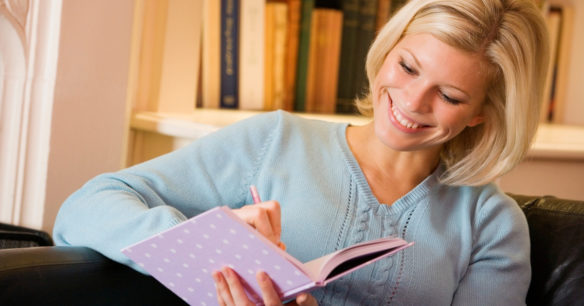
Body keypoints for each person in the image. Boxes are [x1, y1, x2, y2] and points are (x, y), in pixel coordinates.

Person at [53, 0, 550, 304]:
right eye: (408, 66)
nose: (411, 102)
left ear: (483, 113)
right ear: (389, 46)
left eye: (450, 96)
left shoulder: (491, 224)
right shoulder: (275, 141)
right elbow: (85, 208)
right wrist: (219, 251)